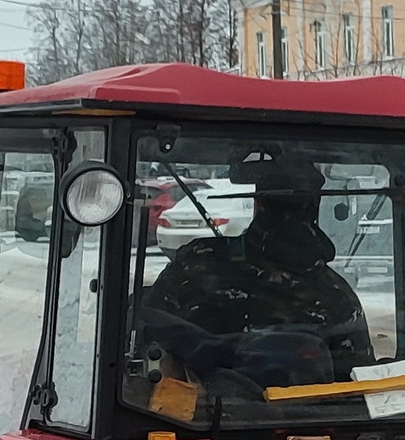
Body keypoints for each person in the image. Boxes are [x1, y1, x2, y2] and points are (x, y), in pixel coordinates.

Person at [137, 154, 371, 395]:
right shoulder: (337, 295)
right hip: (305, 417)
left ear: (258, 203)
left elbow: (144, 336)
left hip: (187, 414)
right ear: (314, 207)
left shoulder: (196, 260)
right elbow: (359, 386)